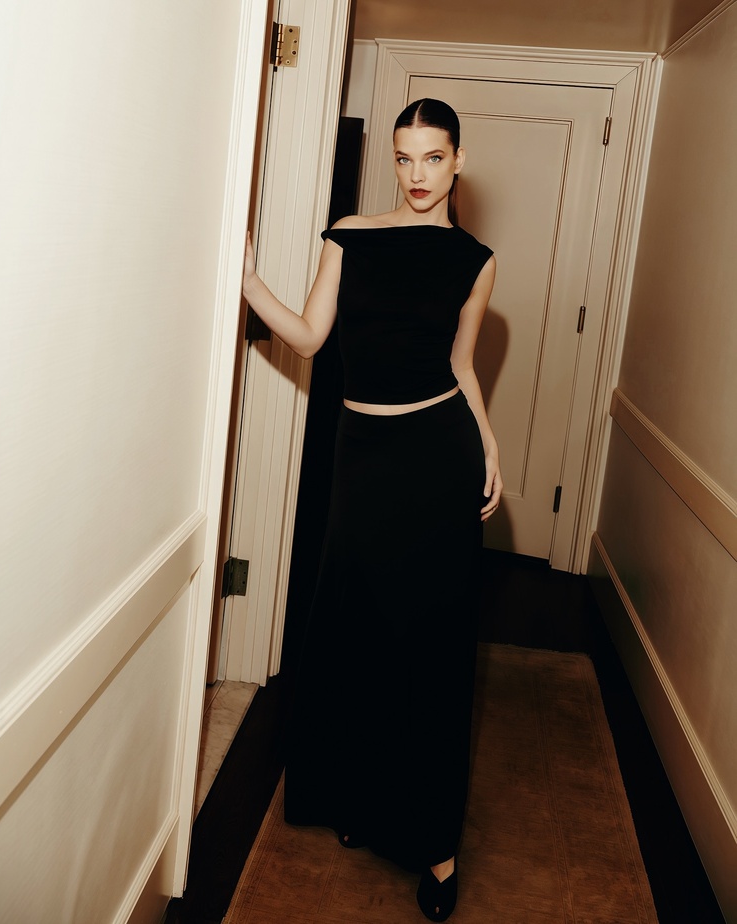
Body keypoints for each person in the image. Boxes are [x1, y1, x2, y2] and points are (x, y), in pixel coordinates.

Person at [242, 97, 501, 922]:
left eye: (434, 157)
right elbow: (309, 338)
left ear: (458, 160)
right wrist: (245, 277)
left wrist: (489, 445)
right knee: (358, 627)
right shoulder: (351, 234)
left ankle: (436, 847)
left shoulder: (475, 259)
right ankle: (360, 794)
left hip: (438, 457)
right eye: (404, 157)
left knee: (429, 645)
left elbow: (462, 364)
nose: (417, 174)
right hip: (361, 455)